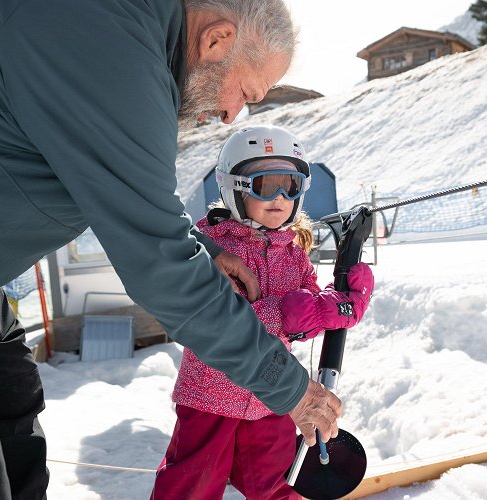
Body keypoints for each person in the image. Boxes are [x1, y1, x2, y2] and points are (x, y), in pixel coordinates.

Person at [0, 1, 342, 498]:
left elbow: (124, 189)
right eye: (244, 92)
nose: (230, 116)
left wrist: (200, 244)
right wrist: (290, 389)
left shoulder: (124, 32)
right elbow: (163, 269)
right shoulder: (112, 49)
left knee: (11, 395)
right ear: (217, 40)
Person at [151, 125, 374, 499]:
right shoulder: (213, 248)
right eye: (265, 185)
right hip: (212, 394)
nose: (281, 197)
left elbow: (309, 312)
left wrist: (342, 301)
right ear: (233, 188)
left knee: (277, 478)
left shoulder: (293, 251)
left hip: (272, 395)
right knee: (193, 481)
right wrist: (285, 313)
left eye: (291, 184)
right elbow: (222, 320)